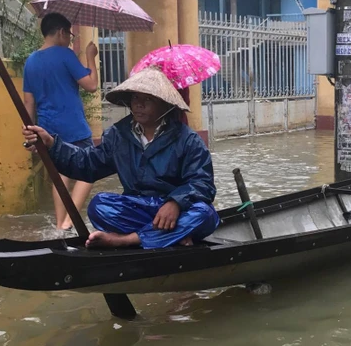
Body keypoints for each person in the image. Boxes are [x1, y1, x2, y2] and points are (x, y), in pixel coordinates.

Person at [22, 66, 220, 249]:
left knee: (204, 214)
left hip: (174, 211)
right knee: (99, 205)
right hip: (139, 208)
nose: (139, 105)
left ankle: (128, 240)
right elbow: (86, 164)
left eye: (148, 99)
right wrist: (51, 144)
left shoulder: (187, 140)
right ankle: (170, 236)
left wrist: (175, 203)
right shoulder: (118, 135)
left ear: (164, 105)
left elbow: (203, 183)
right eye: (135, 99)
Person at [23, 12, 99, 230]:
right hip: (73, 126)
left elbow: (29, 102)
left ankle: (60, 223)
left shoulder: (31, 61)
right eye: (70, 35)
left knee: (61, 174)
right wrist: (90, 57)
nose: (70, 39)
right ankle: (70, 219)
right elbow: (91, 85)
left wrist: (31, 134)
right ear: (60, 32)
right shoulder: (66, 55)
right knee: (89, 170)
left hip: (47, 129)